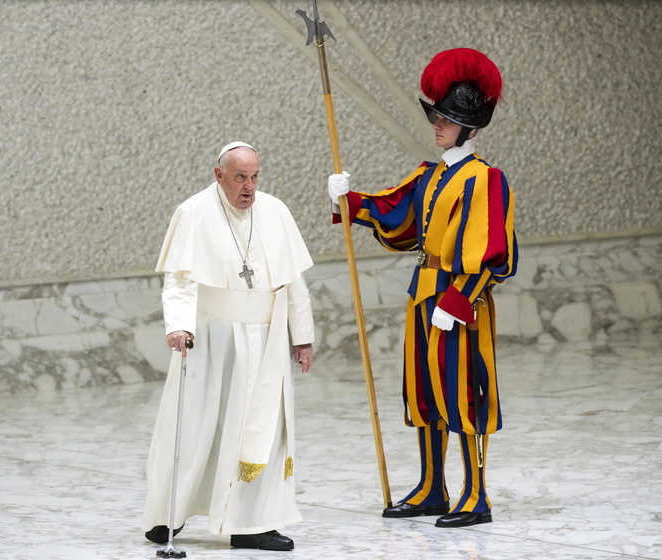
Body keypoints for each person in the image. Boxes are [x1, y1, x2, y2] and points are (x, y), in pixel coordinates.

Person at [327, 48, 518, 528]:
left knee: (465, 394)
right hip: (423, 293)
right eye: (436, 115)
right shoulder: (430, 175)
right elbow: (399, 217)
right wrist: (350, 200)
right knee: (425, 393)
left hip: (460, 301)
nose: (438, 124)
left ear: (471, 127)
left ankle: (475, 495)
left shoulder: (486, 180)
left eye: (448, 119)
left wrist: (456, 301)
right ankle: (433, 486)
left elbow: (496, 252)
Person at [142, 141, 315, 551]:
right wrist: (179, 326)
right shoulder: (194, 212)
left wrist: (302, 336)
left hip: (268, 339)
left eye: (254, 177)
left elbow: (294, 283)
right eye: (240, 177)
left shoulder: (275, 211)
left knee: (263, 432)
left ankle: (251, 525)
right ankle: (168, 513)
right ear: (219, 175)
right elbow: (180, 280)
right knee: (198, 425)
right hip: (213, 338)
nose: (249, 187)